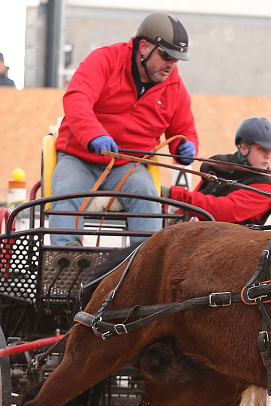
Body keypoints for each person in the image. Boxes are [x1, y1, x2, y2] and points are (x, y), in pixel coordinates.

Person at [49, 11, 199, 246]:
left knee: (148, 199)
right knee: (66, 193)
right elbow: (77, 99)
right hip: (80, 157)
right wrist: (94, 135)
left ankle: (143, 264)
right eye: (165, 55)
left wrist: (185, 146)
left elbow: (184, 129)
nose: (171, 64)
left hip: (128, 165)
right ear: (143, 47)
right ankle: (65, 258)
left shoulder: (174, 86)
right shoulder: (104, 60)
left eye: (176, 59)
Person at [165, 117, 271, 225]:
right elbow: (199, 194)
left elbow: (224, 211)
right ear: (244, 148)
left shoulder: (265, 187)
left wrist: (175, 194)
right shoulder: (219, 165)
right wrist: (180, 215)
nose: (268, 156)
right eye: (261, 149)